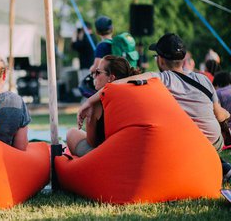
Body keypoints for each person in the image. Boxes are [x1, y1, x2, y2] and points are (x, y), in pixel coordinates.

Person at [78, 33, 231, 181]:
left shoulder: (162, 78)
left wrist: (88, 101)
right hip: (216, 142)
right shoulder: (202, 79)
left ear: (161, 60)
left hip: (190, 145)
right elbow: (219, 114)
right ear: (183, 58)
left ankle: (213, 166)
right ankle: (219, 165)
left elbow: (116, 84)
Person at [67, 55, 140, 156]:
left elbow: (92, 142)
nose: (93, 76)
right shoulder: (134, 96)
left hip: (107, 157)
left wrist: (89, 118)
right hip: (132, 152)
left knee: (72, 133)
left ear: (111, 78)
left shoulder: (97, 103)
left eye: (98, 72)